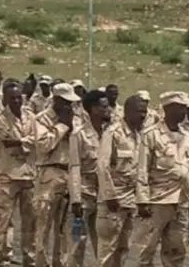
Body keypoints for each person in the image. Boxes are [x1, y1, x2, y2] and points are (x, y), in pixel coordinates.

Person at [134, 91, 189, 267]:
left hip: (181, 200)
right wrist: (142, 200)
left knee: (176, 249)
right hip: (157, 200)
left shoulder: (186, 136)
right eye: (180, 108)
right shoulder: (151, 134)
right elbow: (142, 169)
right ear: (168, 109)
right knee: (146, 249)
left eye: (185, 108)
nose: (184, 113)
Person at [34, 83, 82, 267]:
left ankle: (60, 263)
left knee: (64, 227)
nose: (70, 106)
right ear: (57, 100)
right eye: (66, 102)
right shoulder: (42, 119)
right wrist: (62, 125)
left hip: (70, 172)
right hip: (49, 172)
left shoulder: (76, 119)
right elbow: (43, 146)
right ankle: (41, 262)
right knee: (44, 223)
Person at [96, 95, 147, 267]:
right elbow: (102, 166)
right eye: (139, 111)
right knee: (108, 249)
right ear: (128, 111)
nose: (143, 115)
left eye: (145, 111)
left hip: (131, 200)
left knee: (124, 247)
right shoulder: (113, 133)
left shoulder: (139, 135)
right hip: (113, 201)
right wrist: (109, 196)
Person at [0, 83, 36, 267]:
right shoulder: (0, 118)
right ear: (5, 99)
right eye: (12, 98)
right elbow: (7, 141)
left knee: (30, 221)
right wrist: (26, 142)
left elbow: (37, 140)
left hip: (29, 174)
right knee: (4, 219)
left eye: (19, 97)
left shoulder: (30, 116)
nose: (16, 101)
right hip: (8, 175)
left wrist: (22, 142)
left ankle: (29, 258)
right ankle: (2, 256)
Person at [66, 89, 111, 267]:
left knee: (105, 245)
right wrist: (75, 198)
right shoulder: (79, 134)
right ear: (93, 109)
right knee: (77, 242)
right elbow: (74, 167)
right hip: (85, 194)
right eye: (104, 107)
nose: (108, 110)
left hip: (104, 196)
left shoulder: (111, 133)